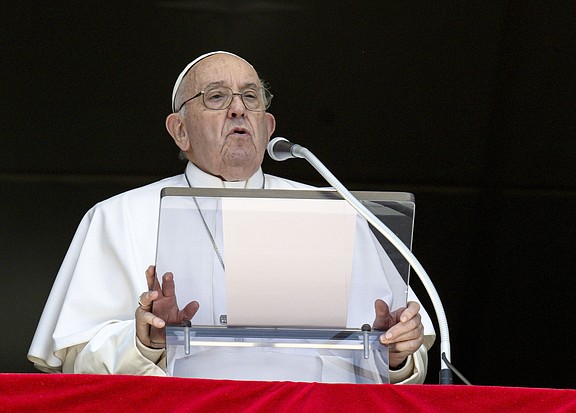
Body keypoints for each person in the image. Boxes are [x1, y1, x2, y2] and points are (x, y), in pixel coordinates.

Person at [28, 51, 435, 383]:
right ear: (180, 131)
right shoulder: (117, 216)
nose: (238, 109)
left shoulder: (335, 211)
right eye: (217, 97)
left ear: (267, 125)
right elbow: (74, 360)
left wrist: (398, 350)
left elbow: (395, 356)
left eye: (251, 98)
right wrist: (146, 341)